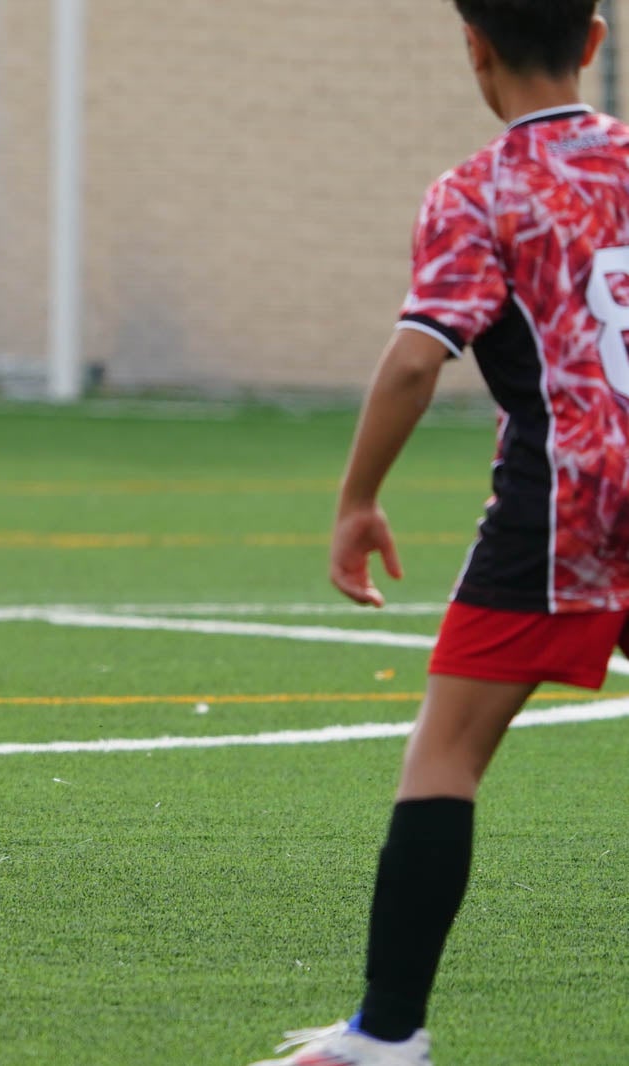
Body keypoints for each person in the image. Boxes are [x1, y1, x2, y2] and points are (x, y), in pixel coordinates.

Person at [250, 3, 629, 1064]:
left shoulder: (478, 191)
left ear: (472, 45)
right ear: (592, 40)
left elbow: (419, 356)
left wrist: (355, 500)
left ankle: (385, 1032)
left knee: (447, 750)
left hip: (568, 502)